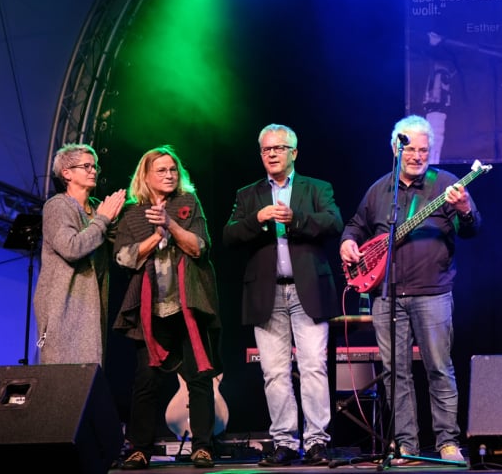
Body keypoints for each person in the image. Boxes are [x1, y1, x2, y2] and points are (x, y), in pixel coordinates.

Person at [339, 114, 481, 464]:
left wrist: (464, 208)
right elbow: (356, 225)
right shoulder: (379, 190)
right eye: (412, 149)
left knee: (438, 368)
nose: (418, 156)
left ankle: (448, 442)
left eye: (424, 149)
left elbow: (472, 228)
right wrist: (347, 242)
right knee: (395, 375)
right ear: (395, 149)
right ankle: (406, 444)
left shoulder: (446, 183)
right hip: (386, 296)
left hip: (433, 293)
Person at [222, 124, 344, 467]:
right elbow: (229, 236)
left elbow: (334, 223)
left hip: (308, 290)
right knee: (274, 372)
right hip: (267, 293)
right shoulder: (248, 195)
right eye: (266, 149)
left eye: (279, 148)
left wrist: (296, 219)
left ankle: (318, 441)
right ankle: (285, 442)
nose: (272, 154)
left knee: (313, 368)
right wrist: (258, 220)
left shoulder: (317, 188)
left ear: (294, 152)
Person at [113, 145, 222, 469]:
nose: (169, 174)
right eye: (161, 170)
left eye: (173, 169)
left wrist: (171, 226)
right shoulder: (132, 213)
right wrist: (154, 235)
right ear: (145, 176)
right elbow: (124, 258)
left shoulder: (189, 203)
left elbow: (201, 247)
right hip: (151, 311)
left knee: (200, 378)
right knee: (145, 380)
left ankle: (202, 447)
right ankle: (140, 449)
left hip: (189, 306)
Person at [34, 143, 126, 365]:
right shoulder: (58, 206)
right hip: (63, 307)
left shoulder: (96, 209)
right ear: (67, 173)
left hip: (91, 308)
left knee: (88, 380)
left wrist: (112, 220)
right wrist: (103, 220)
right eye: (86, 166)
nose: (93, 170)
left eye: (95, 167)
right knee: (63, 379)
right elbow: (71, 248)